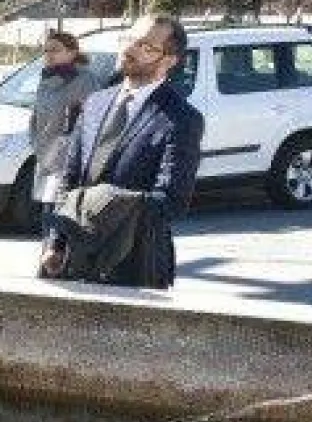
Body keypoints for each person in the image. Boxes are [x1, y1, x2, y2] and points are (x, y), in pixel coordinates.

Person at [41, 15, 204, 289]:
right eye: (128, 39)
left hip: (134, 263)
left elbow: (171, 201)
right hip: (72, 257)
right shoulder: (95, 102)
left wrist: (105, 202)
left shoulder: (181, 118)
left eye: (145, 46)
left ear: (169, 60)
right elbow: (69, 179)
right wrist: (55, 241)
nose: (129, 49)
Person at [28, 29, 103, 232]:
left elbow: (94, 121)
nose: (49, 54)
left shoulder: (85, 80)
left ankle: (58, 261)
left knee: (62, 224)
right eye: (46, 50)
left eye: (55, 49)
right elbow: (36, 116)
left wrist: (69, 147)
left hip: (68, 163)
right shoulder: (45, 78)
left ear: (72, 53)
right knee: (48, 219)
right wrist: (35, 142)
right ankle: (48, 261)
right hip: (45, 158)